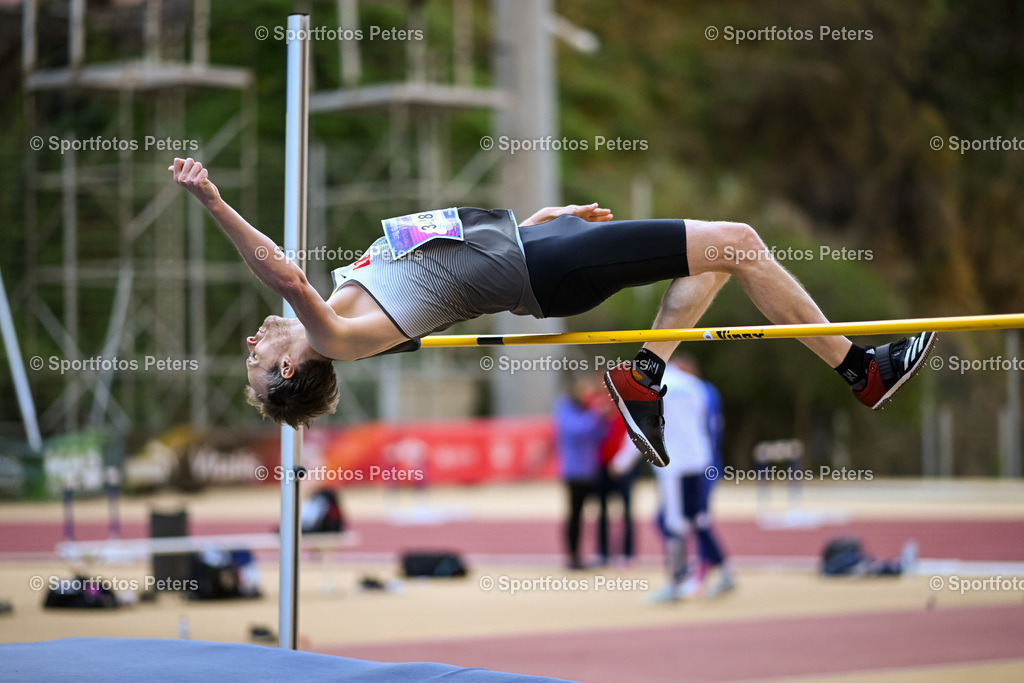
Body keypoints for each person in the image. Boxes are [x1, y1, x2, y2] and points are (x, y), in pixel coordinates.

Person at [169, 158, 936, 467]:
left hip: (540, 248)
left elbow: (453, 253)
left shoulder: (351, 289)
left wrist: (537, 221)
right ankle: (859, 369)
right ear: (292, 365)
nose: (253, 339)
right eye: (257, 360)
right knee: (738, 241)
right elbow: (280, 270)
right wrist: (212, 200)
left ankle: (643, 378)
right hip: (550, 273)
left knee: (716, 260)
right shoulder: (338, 334)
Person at [613, 353, 733, 602]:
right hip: (698, 461)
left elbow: (639, 427)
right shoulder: (696, 386)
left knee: (673, 522)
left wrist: (621, 463)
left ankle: (677, 581)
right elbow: (708, 424)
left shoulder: (650, 385)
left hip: (675, 466)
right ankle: (723, 571)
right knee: (696, 518)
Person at [553, 374, 608, 569]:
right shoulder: (564, 407)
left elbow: (598, 435)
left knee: (592, 514)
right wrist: (596, 415)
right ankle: (572, 555)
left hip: (589, 468)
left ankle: (597, 553)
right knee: (575, 515)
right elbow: (575, 430)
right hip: (574, 471)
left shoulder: (587, 410)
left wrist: (603, 419)